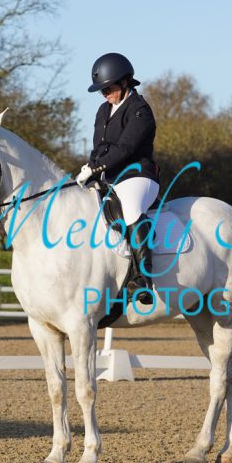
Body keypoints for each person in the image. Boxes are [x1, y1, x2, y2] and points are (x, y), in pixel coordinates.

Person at [76, 52, 160, 305]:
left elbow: (125, 148)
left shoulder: (140, 111)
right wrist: (90, 168)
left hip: (138, 175)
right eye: (101, 90)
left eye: (108, 88)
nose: (105, 94)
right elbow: (99, 147)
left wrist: (96, 167)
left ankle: (144, 279)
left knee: (131, 208)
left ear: (125, 82)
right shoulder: (103, 110)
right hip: (109, 176)